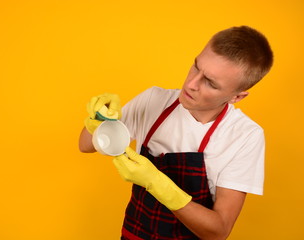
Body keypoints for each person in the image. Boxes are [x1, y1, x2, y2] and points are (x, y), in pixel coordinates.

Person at [79, 25, 273, 240]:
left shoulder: (244, 136)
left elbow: (218, 232)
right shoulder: (154, 100)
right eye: (195, 67)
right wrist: (100, 120)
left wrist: (157, 183)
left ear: (237, 96)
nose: (191, 84)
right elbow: (85, 145)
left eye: (209, 83)